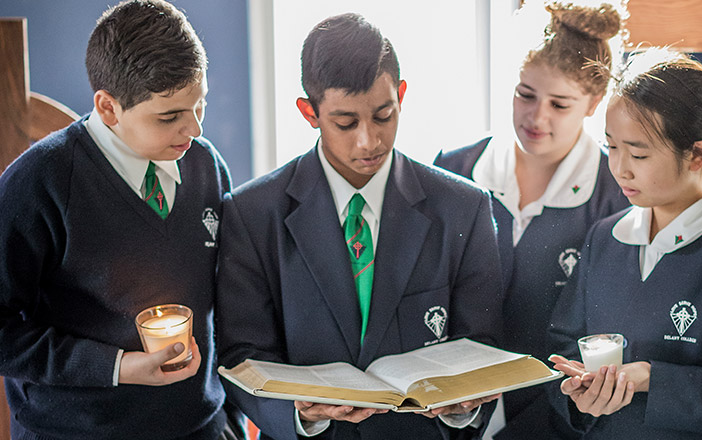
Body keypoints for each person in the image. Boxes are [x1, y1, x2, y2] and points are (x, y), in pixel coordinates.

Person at [215, 12, 503, 440]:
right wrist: (302, 415)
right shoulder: (253, 213)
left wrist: (462, 409)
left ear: (401, 95)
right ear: (309, 112)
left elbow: (482, 345)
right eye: (345, 123)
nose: (369, 141)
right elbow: (243, 355)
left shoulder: (465, 207)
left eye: (383, 115)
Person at [0, 1, 241, 438]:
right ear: (108, 108)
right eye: (169, 116)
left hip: (201, 427)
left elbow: (230, 305)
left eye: (198, 106)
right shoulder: (38, 182)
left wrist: (231, 422)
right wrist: (117, 367)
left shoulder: (206, 166)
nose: (195, 131)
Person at [548, 48, 702, 438]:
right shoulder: (605, 238)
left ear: (699, 153)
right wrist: (577, 395)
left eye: (639, 153)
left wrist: (653, 378)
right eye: (612, 147)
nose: (620, 168)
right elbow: (564, 346)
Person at [434, 1, 628, 438]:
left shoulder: (615, 196)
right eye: (525, 94)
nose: (536, 118)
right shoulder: (455, 169)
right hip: (450, 410)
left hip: (556, 419)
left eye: (560, 104)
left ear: (594, 103)